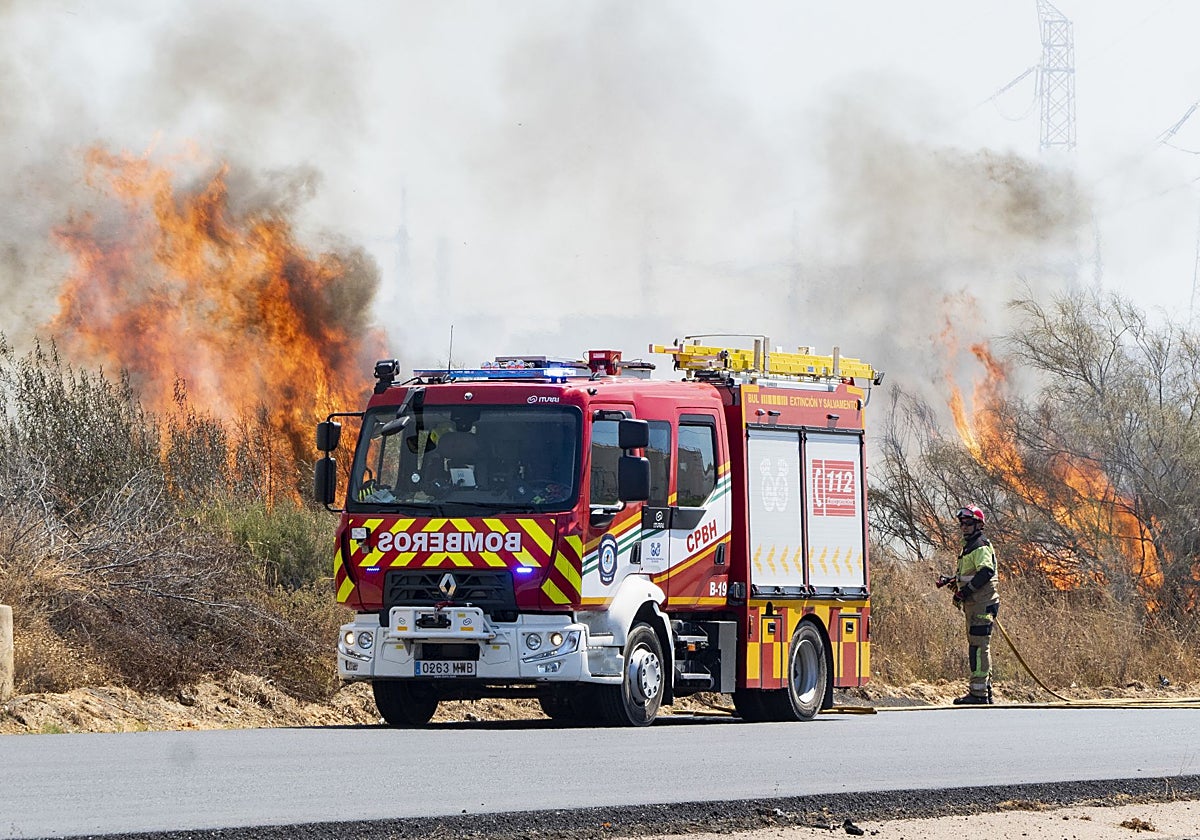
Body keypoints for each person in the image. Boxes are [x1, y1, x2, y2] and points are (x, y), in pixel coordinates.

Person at [949, 504, 1000, 705]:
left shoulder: (979, 545)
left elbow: (986, 571)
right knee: (979, 646)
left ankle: (978, 694)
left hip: (982, 603)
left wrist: (965, 591)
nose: (964, 526)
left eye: (968, 523)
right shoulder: (969, 546)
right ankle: (984, 690)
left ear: (978, 524)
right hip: (976, 603)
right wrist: (954, 582)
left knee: (979, 647)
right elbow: (970, 574)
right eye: (962, 523)